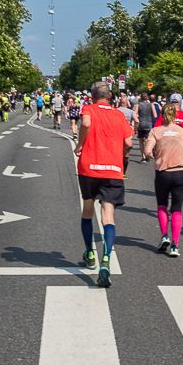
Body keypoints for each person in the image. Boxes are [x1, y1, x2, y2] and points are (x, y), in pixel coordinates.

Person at [75, 81, 134, 287]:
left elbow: (86, 123)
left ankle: (90, 253)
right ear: (109, 97)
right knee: (108, 216)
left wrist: (80, 145)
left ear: (92, 96)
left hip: (89, 168)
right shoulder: (119, 114)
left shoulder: (88, 109)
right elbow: (128, 143)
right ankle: (106, 258)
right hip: (113, 170)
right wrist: (121, 156)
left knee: (88, 210)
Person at [145, 103, 183, 257]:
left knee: (162, 204)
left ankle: (164, 236)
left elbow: (147, 151)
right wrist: (182, 157)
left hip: (163, 173)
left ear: (162, 115)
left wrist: (152, 156)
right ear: (175, 115)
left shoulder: (156, 131)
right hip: (180, 173)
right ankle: (175, 244)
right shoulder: (182, 132)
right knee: (177, 209)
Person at [116, 96, 138, 174]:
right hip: (127, 134)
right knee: (126, 155)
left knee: (117, 154)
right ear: (126, 103)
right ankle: (123, 173)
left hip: (117, 133)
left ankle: (117, 171)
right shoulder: (131, 112)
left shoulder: (116, 111)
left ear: (120, 103)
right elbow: (137, 120)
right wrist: (135, 130)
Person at [135, 93, 155, 162]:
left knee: (141, 141)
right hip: (148, 124)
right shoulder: (151, 105)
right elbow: (155, 115)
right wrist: (150, 119)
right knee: (147, 140)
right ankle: (148, 153)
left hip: (141, 124)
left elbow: (135, 114)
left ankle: (143, 156)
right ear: (147, 98)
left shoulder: (138, 105)